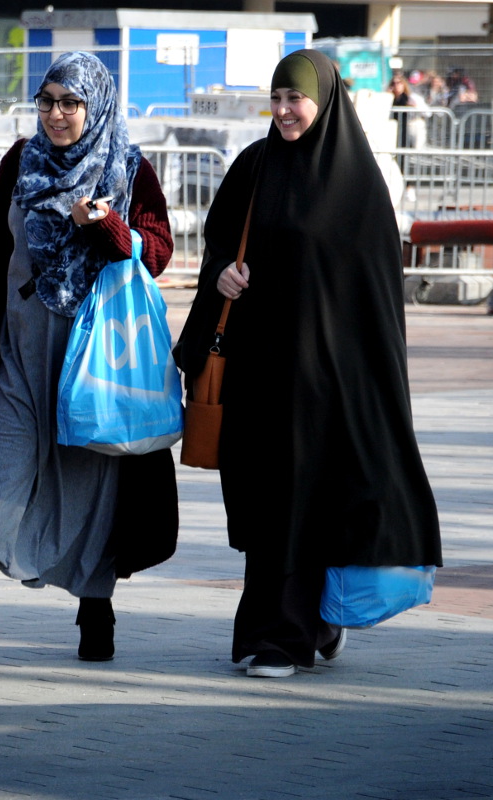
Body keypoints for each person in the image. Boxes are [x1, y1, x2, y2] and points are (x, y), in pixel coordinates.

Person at [174, 49, 442, 679]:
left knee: (304, 503)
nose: (284, 110)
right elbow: (218, 246)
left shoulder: (358, 185)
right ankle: (307, 625)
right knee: (265, 506)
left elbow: (375, 296)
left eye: (295, 98)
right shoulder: (253, 166)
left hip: (328, 381)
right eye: (276, 99)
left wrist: (369, 387)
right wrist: (223, 275)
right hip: (256, 375)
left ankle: (284, 638)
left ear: (323, 101)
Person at [0, 51, 178, 664]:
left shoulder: (129, 167)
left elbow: (158, 251)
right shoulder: (23, 158)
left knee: (91, 483)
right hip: (18, 348)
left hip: (92, 359)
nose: (56, 115)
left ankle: (96, 609)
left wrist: (107, 226)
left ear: (96, 105)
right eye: (47, 102)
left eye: (70, 103)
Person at [388, 73, 428, 149]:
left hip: (410, 127)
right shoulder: (390, 98)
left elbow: (427, 112)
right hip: (396, 129)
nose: (396, 85)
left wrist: (415, 107)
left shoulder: (411, 97)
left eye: (399, 83)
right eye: (393, 83)